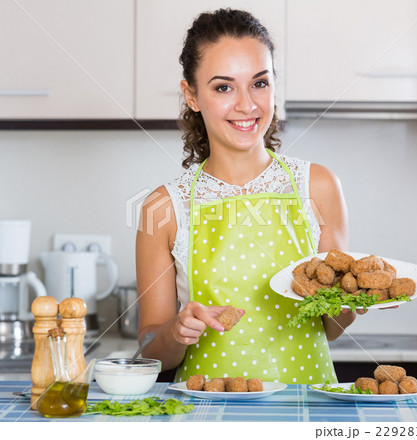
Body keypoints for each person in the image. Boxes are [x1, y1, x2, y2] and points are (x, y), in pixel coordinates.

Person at [136, 8, 359, 384]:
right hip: (207, 414)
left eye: (260, 83)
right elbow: (150, 348)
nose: (247, 104)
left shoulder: (318, 185)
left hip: (306, 408)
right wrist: (176, 331)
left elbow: (333, 328)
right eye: (224, 87)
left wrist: (352, 301)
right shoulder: (162, 207)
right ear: (191, 95)